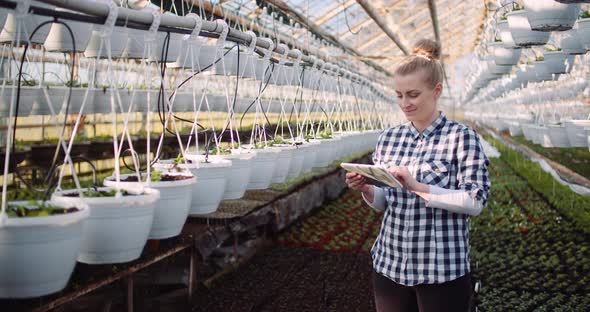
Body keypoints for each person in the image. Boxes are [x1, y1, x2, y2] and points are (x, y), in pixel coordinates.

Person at [345, 39, 490, 312]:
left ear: (436, 91)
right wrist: (366, 189)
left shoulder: (462, 137)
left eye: (413, 94)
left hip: (441, 269)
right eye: (399, 95)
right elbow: (386, 202)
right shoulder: (389, 138)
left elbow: (475, 201)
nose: (405, 103)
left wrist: (417, 186)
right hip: (391, 262)